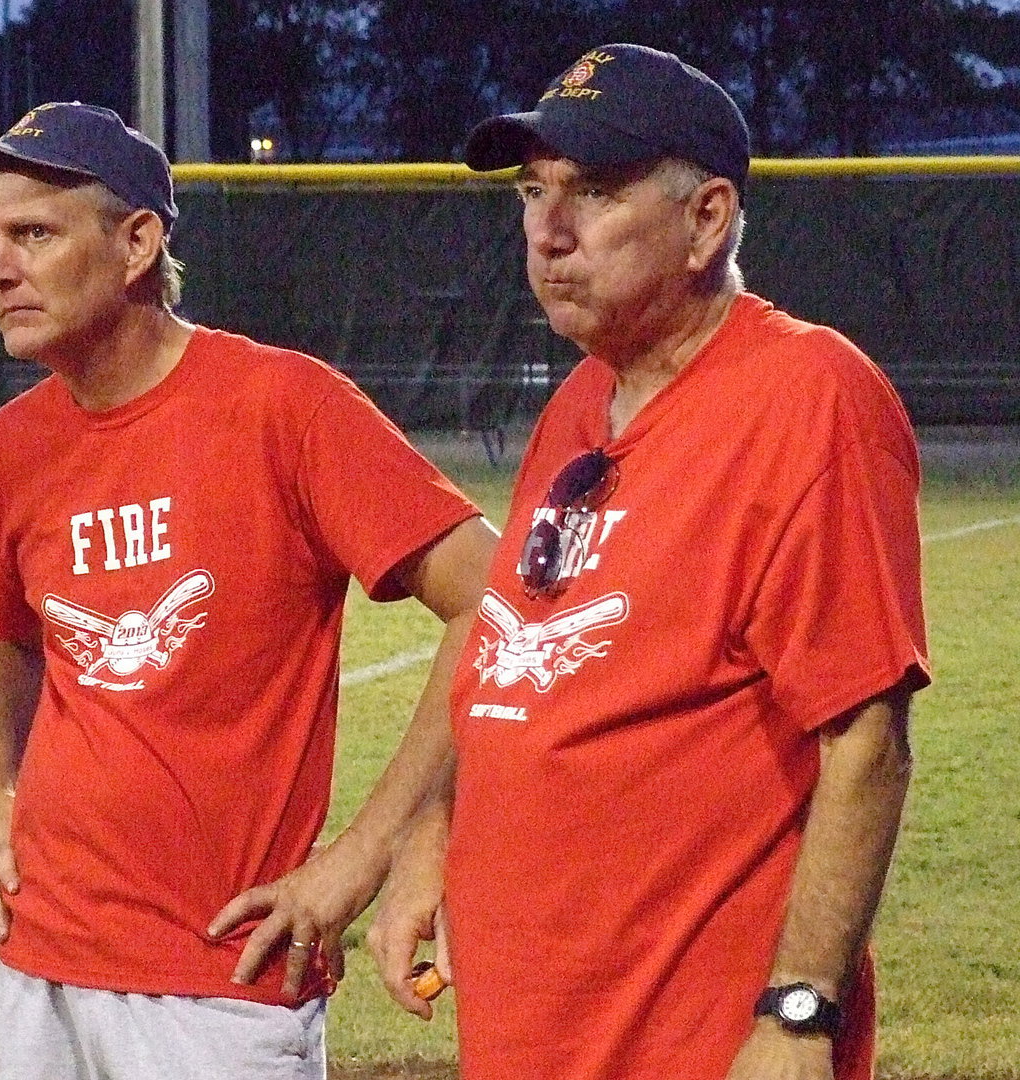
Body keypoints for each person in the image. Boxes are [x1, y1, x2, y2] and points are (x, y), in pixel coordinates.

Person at [368, 43, 930, 1080]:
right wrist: (426, 843)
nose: (548, 228)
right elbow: (509, 652)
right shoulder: (584, 396)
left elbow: (866, 742)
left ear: (707, 218)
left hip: (692, 1039)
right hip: (533, 1028)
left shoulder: (809, 399)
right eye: (535, 191)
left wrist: (798, 1014)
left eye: (596, 190)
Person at [0, 101, 497, 1080]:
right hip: (38, 957)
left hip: (220, 979)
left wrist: (365, 856)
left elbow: (494, 599)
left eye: (33, 234)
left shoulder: (284, 408)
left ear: (137, 240)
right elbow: (5, 639)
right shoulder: (10, 450)